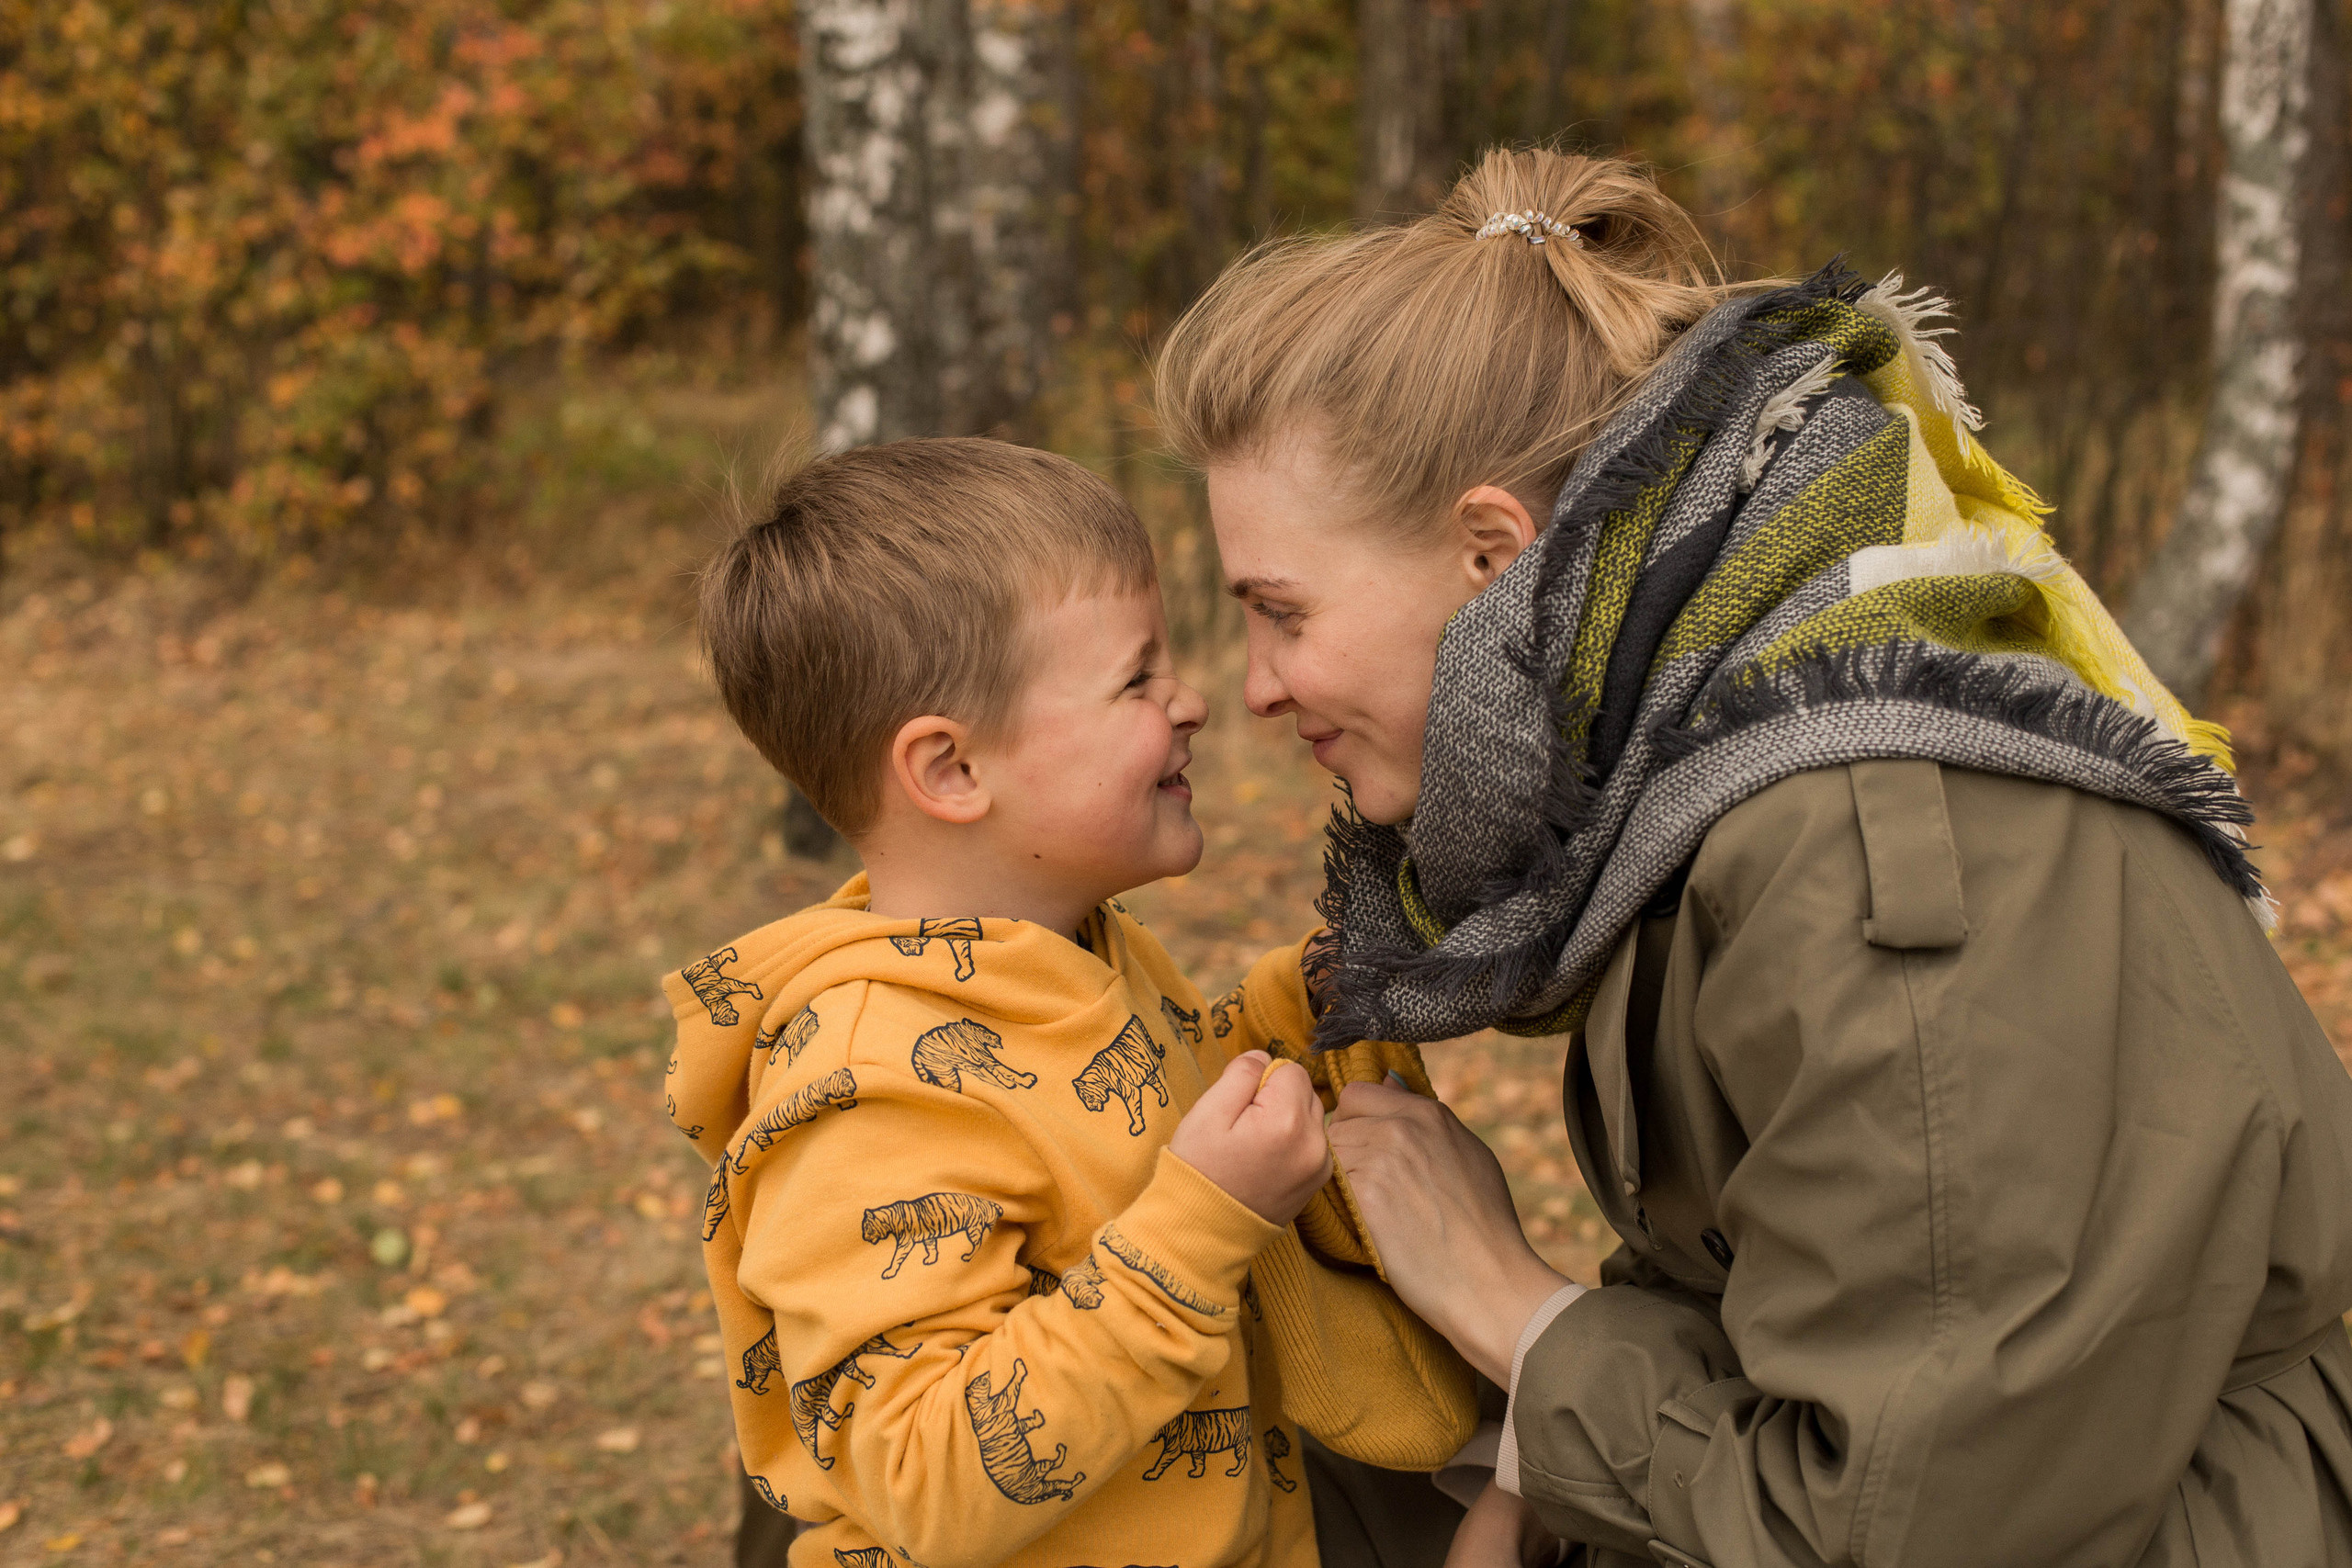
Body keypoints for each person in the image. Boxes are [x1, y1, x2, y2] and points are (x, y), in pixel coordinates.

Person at [1156, 147, 2352, 1567]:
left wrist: (1516, 1312)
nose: (1254, 688)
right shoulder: (1708, 772)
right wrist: (1531, 1465)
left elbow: (1918, 1526)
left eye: (1281, 611)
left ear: (1491, 552)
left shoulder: (1868, 857)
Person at [664, 437, 1477, 1568]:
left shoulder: (1068, 951)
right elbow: (927, 1481)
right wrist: (1202, 1226)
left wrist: (1288, 1015)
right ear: (951, 771)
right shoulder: (867, 1091)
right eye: (1137, 679)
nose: (1194, 701)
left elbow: (1128, 1127)